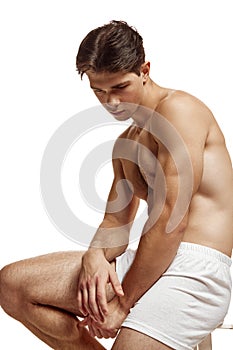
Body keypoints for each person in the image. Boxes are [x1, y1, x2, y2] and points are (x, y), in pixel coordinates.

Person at [0, 20, 232, 350]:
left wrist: (122, 305)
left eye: (120, 87)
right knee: (13, 286)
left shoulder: (181, 111)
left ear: (144, 70)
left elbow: (171, 219)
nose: (110, 102)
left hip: (195, 269)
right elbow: (115, 223)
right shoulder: (127, 143)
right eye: (99, 90)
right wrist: (96, 253)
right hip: (150, 260)